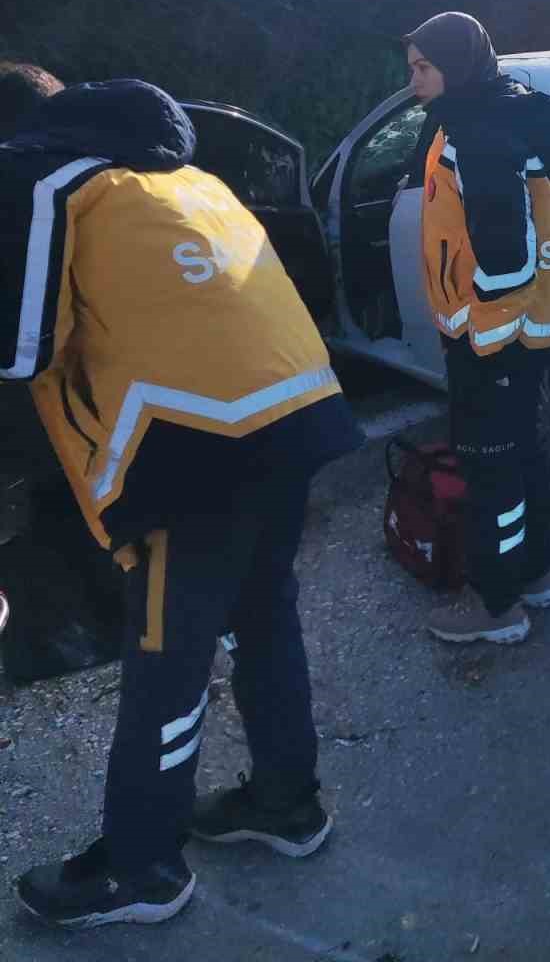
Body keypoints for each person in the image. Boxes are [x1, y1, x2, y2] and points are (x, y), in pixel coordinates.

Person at [0, 68, 363, 929]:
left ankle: (142, 866)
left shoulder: (37, 179)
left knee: (168, 656)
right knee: (265, 617)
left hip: (191, 445)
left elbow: (17, 349)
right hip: (296, 412)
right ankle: (286, 803)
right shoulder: (186, 176)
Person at [404, 13, 550, 646]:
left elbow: (506, 255)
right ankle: (536, 572)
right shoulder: (509, 110)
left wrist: (484, 333)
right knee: (521, 451)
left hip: (492, 337)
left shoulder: (474, 133)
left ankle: (495, 603)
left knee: (490, 468)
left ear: (455, 66)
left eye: (423, 67)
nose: (414, 80)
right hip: (528, 330)